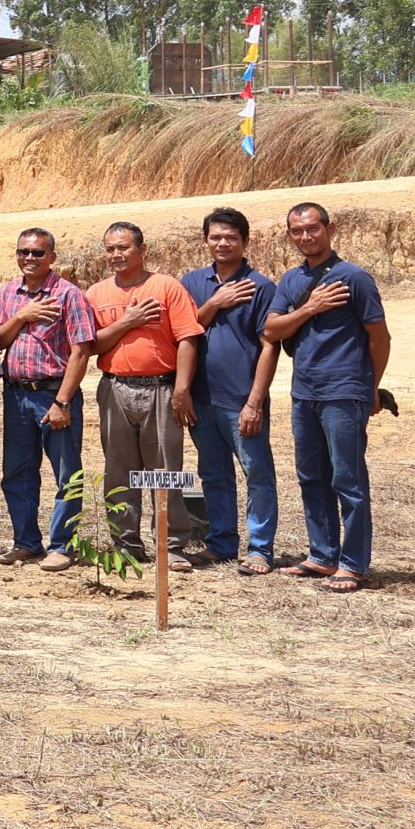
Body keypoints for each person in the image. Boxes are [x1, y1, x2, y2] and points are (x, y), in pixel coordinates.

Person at [266, 201, 390, 593]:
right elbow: (272, 329)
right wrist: (311, 307)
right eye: (297, 231)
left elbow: (379, 338)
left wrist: (370, 388)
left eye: (313, 228)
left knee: (348, 480)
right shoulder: (291, 280)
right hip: (304, 393)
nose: (306, 236)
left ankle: (353, 564)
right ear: (290, 235)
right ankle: (322, 555)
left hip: (344, 392)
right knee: (311, 477)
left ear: (329, 229)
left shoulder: (354, 278)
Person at [88, 222, 204, 571]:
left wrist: (182, 389)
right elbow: (91, 345)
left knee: (164, 469)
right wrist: (127, 322)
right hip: (115, 388)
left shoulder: (166, 287)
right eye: (110, 249)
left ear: (142, 249)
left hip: (161, 389)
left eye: (123, 247)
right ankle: (125, 544)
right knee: (119, 471)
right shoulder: (96, 293)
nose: (116, 254)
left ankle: (172, 545)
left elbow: (188, 339)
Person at [0, 228, 97, 571]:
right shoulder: (7, 293)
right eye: (23, 252)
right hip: (16, 394)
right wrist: (22, 316)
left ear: (52, 257)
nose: (29, 258)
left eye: (37, 253)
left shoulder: (69, 295)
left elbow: (81, 351)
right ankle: (25, 542)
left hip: (52, 393)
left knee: (66, 473)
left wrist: (63, 402)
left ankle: (62, 545)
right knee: (17, 472)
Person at [180, 207, 281, 573]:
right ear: (205, 240)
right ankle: (221, 543)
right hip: (200, 399)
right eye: (216, 237)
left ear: (245, 241)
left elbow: (270, 345)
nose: (223, 243)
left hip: (241, 401)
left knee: (257, 474)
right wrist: (214, 303)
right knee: (213, 473)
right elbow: (183, 331)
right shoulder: (192, 282)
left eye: (231, 238)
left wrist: (255, 402)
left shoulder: (260, 286)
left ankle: (260, 550)